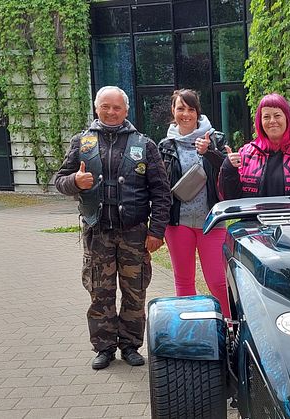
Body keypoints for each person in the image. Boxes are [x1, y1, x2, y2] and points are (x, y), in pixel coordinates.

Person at [54, 86, 171, 369]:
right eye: (105, 106)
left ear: (126, 110)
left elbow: (162, 192)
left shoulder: (144, 145)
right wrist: (75, 183)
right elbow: (59, 179)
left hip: (134, 233)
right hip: (97, 233)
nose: (110, 112)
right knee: (99, 292)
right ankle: (104, 347)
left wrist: (156, 232)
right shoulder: (82, 142)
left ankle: (130, 345)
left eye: (116, 107)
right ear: (97, 108)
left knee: (134, 291)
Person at [158, 89, 230, 317]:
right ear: (173, 111)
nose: (186, 114)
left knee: (218, 281)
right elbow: (160, 185)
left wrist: (209, 152)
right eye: (181, 108)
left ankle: (230, 327)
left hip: (212, 221)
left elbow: (228, 173)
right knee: (184, 281)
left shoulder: (215, 138)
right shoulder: (165, 145)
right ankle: (191, 330)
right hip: (178, 222)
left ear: (198, 112)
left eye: (191, 109)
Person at [219, 93, 290, 199]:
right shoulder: (246, 154)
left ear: (287, 118)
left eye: (277, 115)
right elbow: (230, 197)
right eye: (266, 117)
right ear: (260, 122)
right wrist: (229, 168)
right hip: (254, 216)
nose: (272, 121)